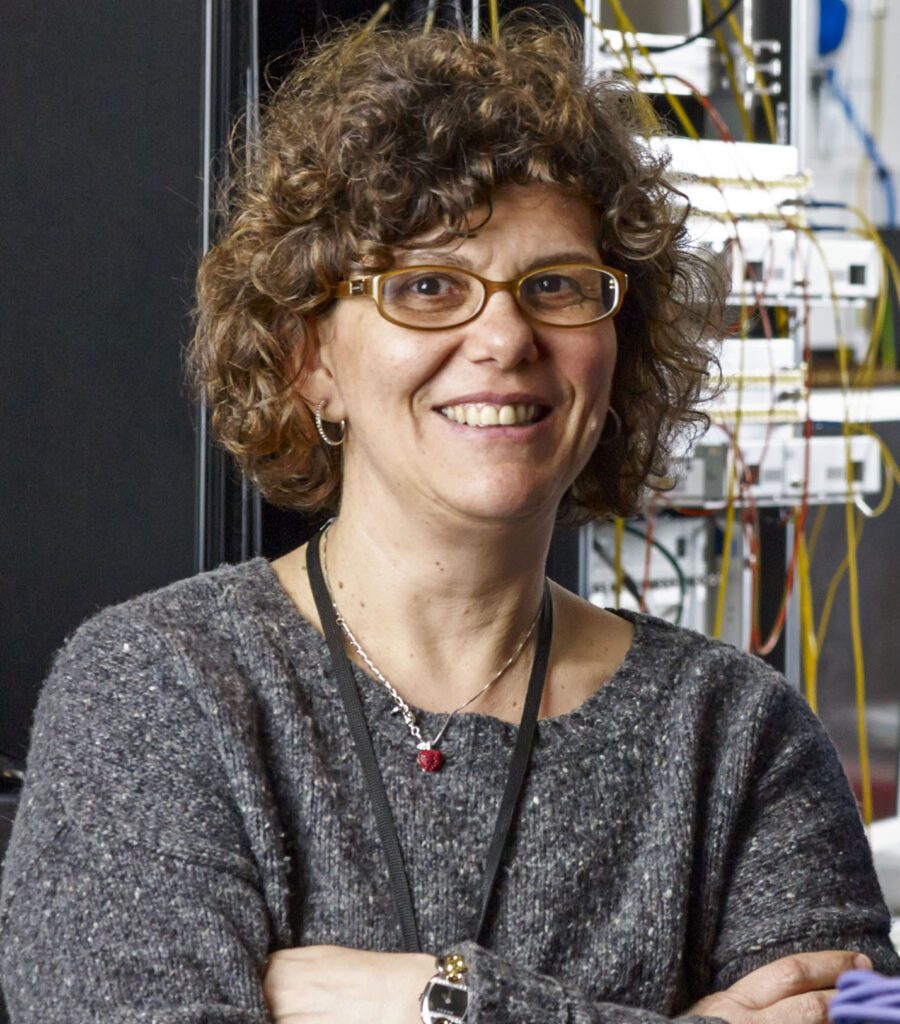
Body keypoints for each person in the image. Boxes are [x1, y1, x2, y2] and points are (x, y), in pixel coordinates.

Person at [1, 17, 897, 1024]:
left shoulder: (740, 735)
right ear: (310, 359)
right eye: (428, 286)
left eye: (555, 287)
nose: (506, 337)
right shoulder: (159, 690)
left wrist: (431, 1000)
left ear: (619, 351)